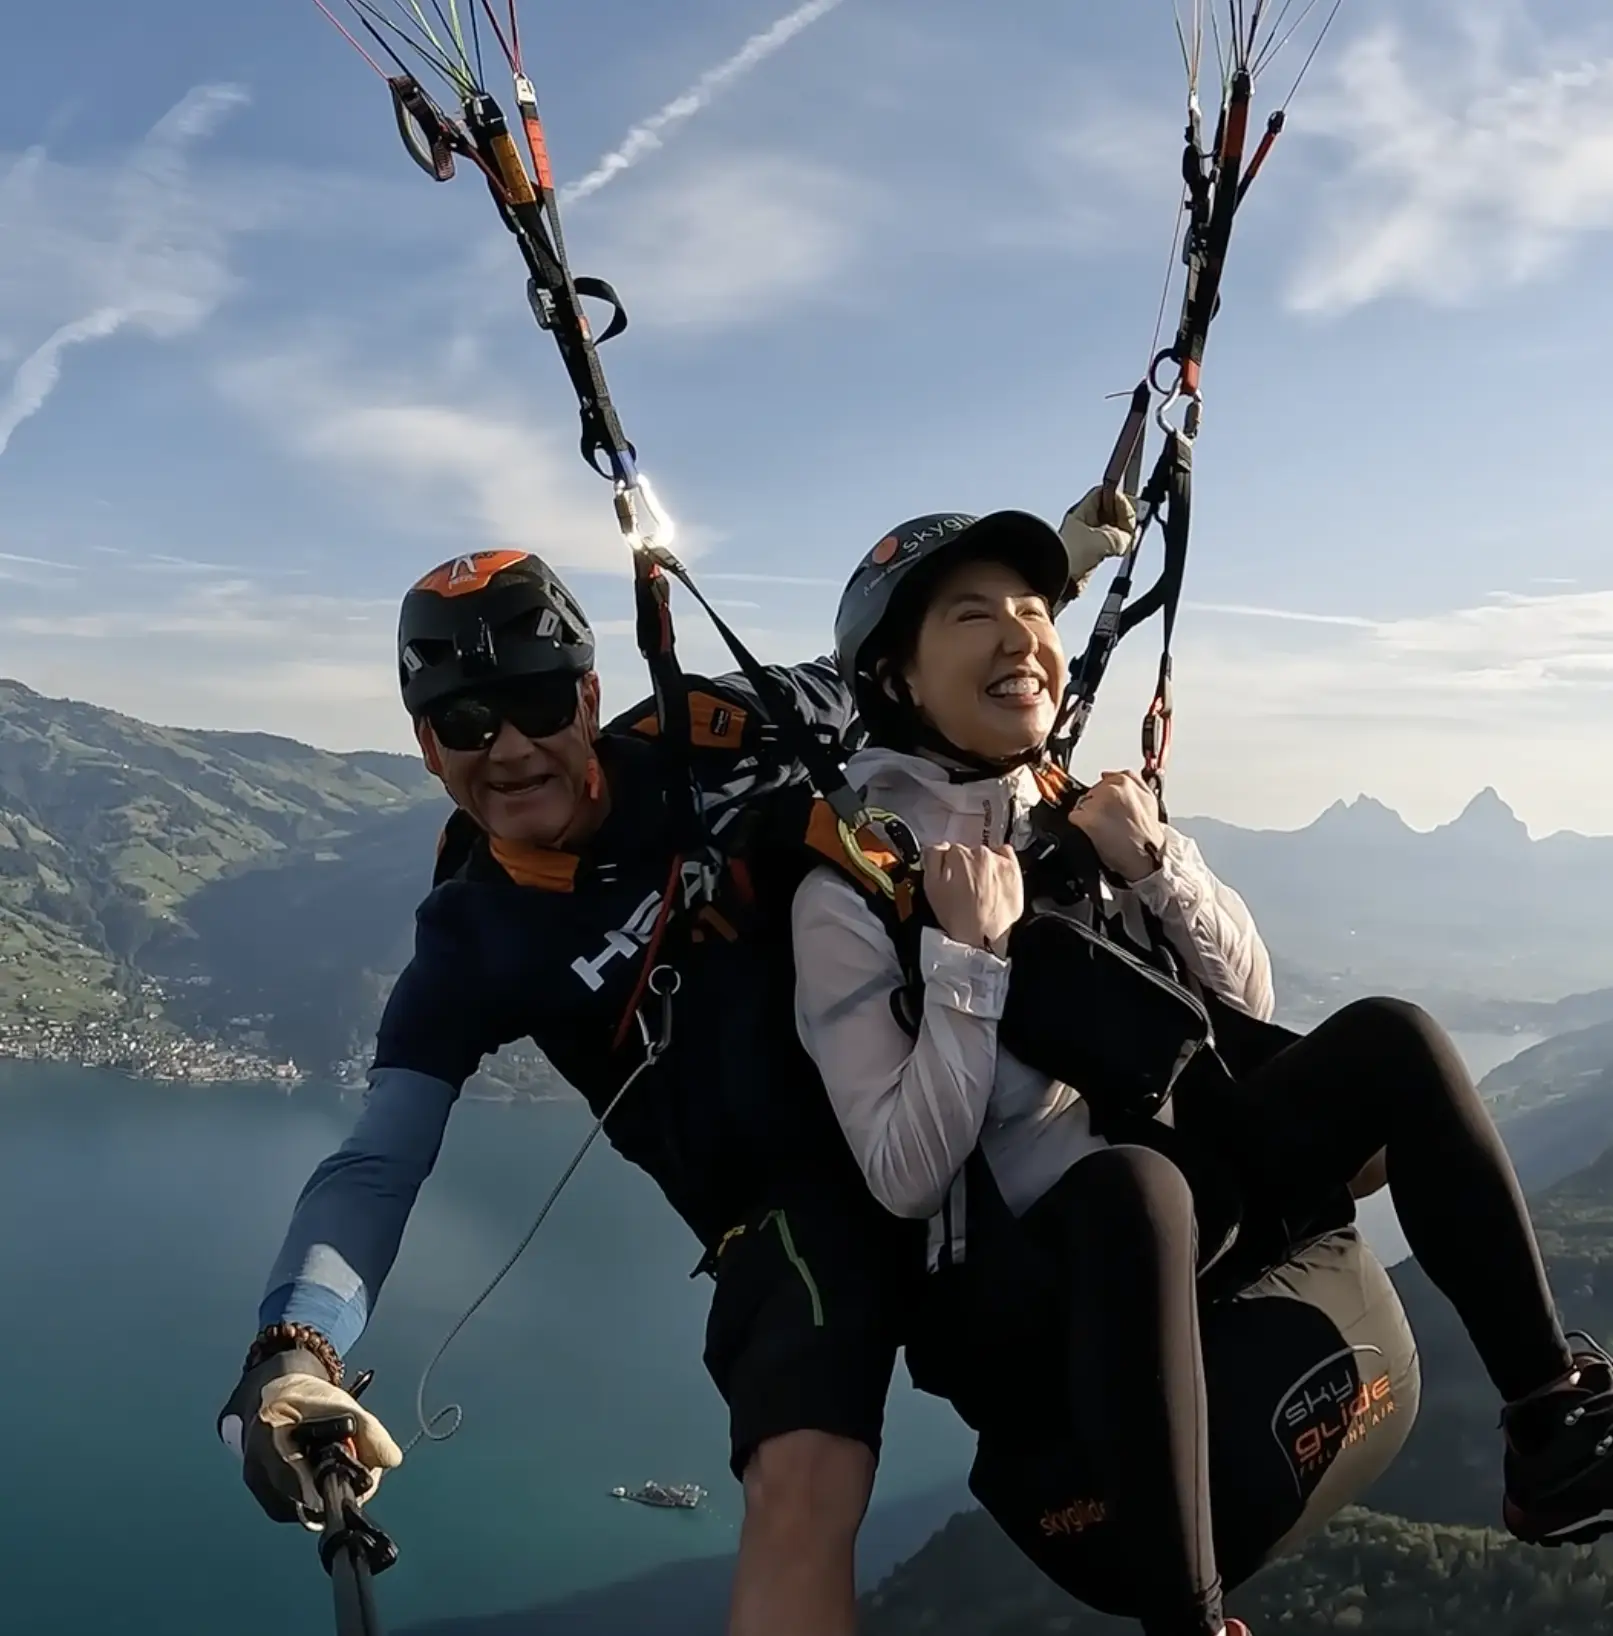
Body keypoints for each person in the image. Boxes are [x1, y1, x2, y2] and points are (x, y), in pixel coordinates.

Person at [788, 507, 1613, 1636]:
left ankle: (1546, 1422)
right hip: (1042, 1271)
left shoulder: (1071, 807)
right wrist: (963, 958)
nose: (1021, 634)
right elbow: (901, 1172)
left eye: (1032, 609)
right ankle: (1190, 1620)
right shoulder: (848, 889)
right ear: (894, 675)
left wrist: (1156, 858)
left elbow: (1248, 1005)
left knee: (1391, 1037)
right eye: (972, 614)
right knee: (1136, 1189)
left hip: (1184, 1189)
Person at [215, 548, 929, 1636]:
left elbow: (899, 661)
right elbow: (377, 1161)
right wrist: (293, 1347)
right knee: (796, 1488)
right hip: (789, 1222)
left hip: (948, 1092)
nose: (506, 746)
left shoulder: (723, 726)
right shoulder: (471, 940)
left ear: (590, 697)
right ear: (425, 749)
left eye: (538, 701)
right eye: (464, 722)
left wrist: (1059, 562)